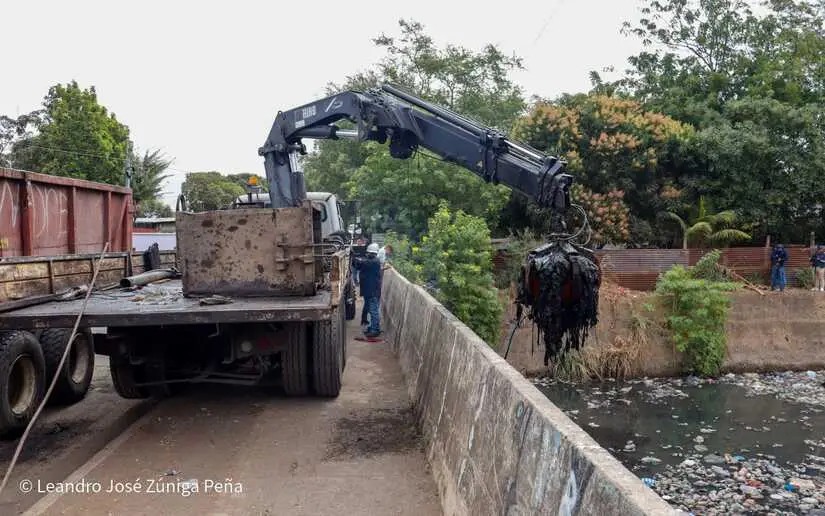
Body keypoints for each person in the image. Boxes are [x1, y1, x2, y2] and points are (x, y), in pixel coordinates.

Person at [353, 243, 382, 337]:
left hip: (372, 291)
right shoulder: (371, 261)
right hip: (370, 290)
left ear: (373, 254)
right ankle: (372, 327)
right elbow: (358, 265)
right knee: (371, 309)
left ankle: (375, 330)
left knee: (373, 310)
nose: (368, 254)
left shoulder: (374, 262)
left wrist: (352, 256)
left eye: (369, 253)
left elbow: (360, 263)